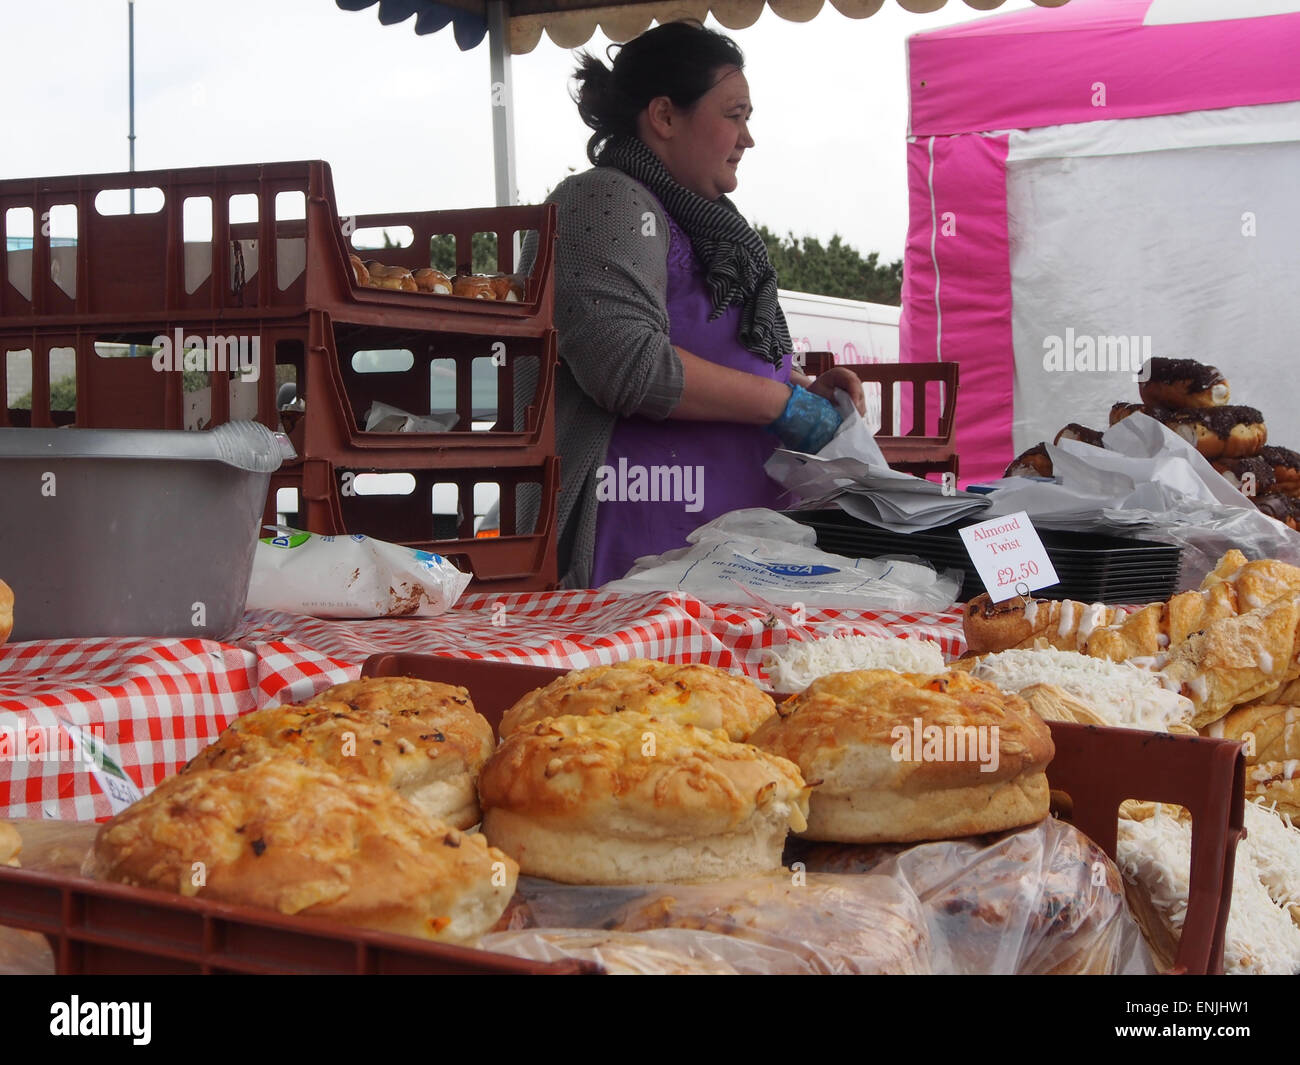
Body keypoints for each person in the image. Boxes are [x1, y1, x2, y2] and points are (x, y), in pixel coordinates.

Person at [517, 20, 865, 588]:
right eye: (734, 115)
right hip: (644, 550)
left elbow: (708, 351)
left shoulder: (700, 218)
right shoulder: (601, 198)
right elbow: (627, 364)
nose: (747, 139)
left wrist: (801, 389)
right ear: (665, 116)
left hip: (730, 549)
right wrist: (779, 403)